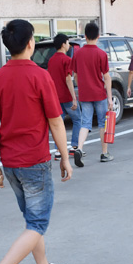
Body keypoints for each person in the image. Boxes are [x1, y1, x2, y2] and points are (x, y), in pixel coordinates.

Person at [0, 20, 73, 264]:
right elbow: (55, 121)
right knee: (37, 223)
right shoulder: (39, 76)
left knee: (32, 221)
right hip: (34, 162)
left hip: (10, 164)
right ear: (30, 43)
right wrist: (65, 157)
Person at [71, 22, 113, 164]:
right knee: (102, 123)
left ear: (85, 36)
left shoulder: (78, 54)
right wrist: (110, 98)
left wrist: (81, 86)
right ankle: (104, 153)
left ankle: (79, 148)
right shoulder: (101, 54)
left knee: (85, 123)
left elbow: (75, 75)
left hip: (85, 94)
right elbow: (106, 77)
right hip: (99, 93)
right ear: (98, 36)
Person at [47, 33, 84, 167]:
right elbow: (68, 78)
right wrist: (74, 97)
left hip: (55, 97)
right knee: (77, 119)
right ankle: (74, 147)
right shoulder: (67, 60)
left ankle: (58, 151)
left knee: (58, 123)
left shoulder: (51, 60)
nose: (69, 45)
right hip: (66, 96)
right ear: (63, 44)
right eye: (68, 43)